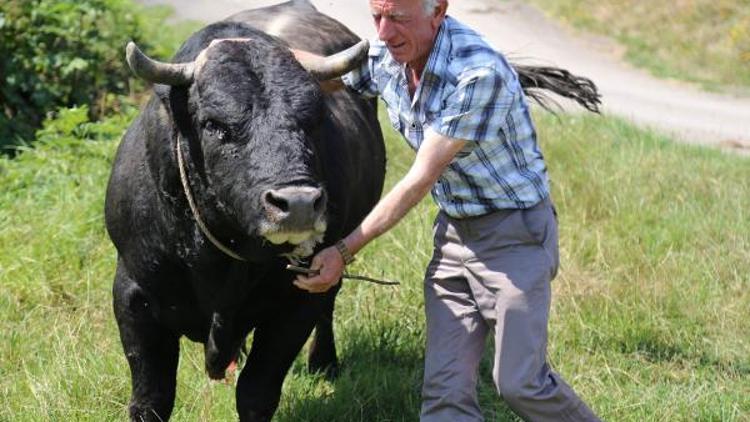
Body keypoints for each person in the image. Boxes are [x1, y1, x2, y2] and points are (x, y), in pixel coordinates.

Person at [293, 0, 600, 420]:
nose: (383, 33)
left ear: (438, 11)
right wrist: (255, 48)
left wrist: (344, 250)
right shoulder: (388, 56)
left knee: (520, 383)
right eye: (376, 17)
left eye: (398, 18)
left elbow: (420, 179)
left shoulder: (476, 73)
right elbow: (329, 72)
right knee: (443, 396)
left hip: (515, 241)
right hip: (454, 238)